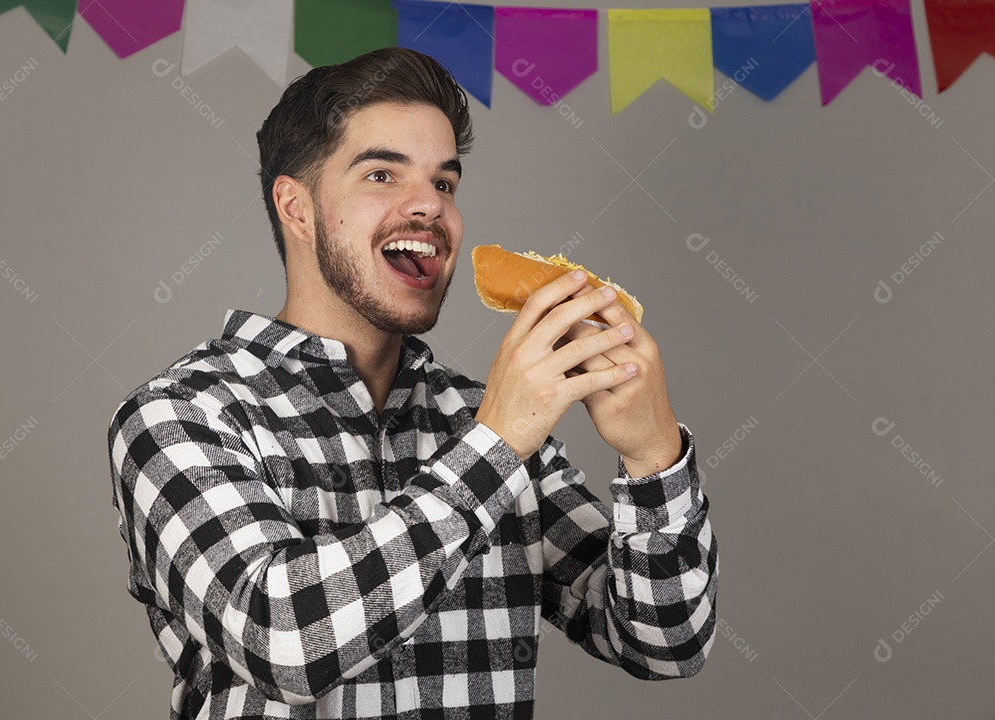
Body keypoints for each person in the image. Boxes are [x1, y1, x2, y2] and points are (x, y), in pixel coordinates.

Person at [108, 47, 717, 720]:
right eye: (382, 174)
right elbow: (286, 642)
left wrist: (654, 455)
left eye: (445, 183)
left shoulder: (479, 419)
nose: (428, 207)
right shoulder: (180, 417)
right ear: (297, 207)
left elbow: (665, 642)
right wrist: (497, 442)